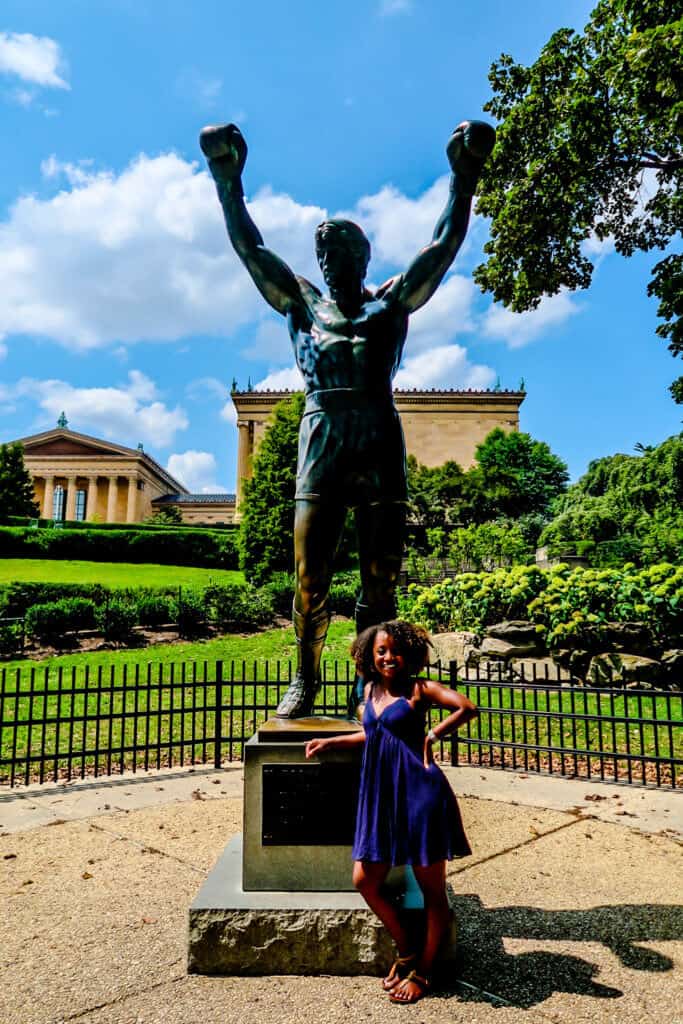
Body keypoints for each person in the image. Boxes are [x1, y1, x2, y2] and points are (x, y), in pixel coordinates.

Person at [200, 120, 495, 718]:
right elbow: (251, 251)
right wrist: (228, 181)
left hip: (379, 438)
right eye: (323, 254)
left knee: (381, 582)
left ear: (362, 258)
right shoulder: (303, 304)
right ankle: (304, 678)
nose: (330, 262)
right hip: (323, 439)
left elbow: (441, 250)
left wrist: (463, 179)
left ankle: (376, 685)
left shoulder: (391, 302)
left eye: (341, 253)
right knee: (310, 579)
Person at [305, 619, 478, 1004]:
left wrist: (433, 735)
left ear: (409, 654)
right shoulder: (370, 690)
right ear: (370, 655)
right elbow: (375, 733)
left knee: (433, 891)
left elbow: (466, 707)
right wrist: (332, 742)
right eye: (380, 651)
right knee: (365, 880)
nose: (387, 657)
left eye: (395, 650)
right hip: (382, 797)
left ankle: (424, 971)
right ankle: (407, 949)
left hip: (420, 794)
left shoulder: (419, 689)